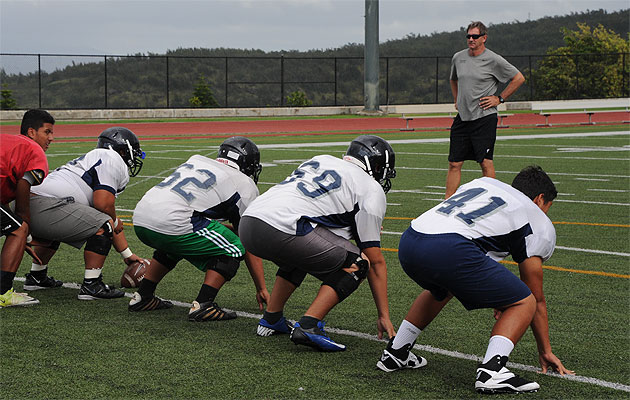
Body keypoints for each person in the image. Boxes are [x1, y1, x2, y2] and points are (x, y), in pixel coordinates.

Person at [376, 165, 574, 394]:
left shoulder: (485, 184)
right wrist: (545, 349)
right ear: (540, 200)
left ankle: (397, 351)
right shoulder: (533, 215)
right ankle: (492, 371)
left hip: (411, 239)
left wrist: (499, 295)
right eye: (548, 207)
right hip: (450, 248)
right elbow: (535, 296)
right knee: (524, 301)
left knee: (442, 288)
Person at [239, 134, 397, 352]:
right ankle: (309, 324)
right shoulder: (370, 187)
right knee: (359, 264)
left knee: (299, 251)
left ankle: (271, 318)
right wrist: (384, 315)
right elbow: (376, 262)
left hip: (249, 222)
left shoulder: (322, 159)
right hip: (281, 227)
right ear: (377, 167)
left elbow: (320, 222)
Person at [130, 136, 270, 321]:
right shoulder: (244, 183)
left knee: (177, 242)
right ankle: (204, 304)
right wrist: (261, 287)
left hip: (141, 218)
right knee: (234, 247)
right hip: (175, 222)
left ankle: (143, 296)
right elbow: (247, 237)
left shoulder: (196, 160)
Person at [28, 127, 145, 300]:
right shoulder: (112, 158)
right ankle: (92, 285)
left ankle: (36, 276)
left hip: (34, 204)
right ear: (122, 150)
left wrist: (127, 254)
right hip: (44, 205)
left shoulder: (95, 158)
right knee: (103, 225)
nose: (134, 157)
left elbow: (104, 211)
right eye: (133, 153)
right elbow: (103, 205)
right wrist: (113, 220)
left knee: (91, 220)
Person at [445, 21, 525, 199]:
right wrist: (456, 98)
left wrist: (499, 98)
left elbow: (518, 78)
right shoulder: (458, 57)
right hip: (463, 118)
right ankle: (446, 202)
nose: (471, 39)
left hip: (484, 118)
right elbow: (453, 79)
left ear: (484, 38)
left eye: (475, 36)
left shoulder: (493, 59)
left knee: (485, 162)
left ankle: (490, 201)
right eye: (468, 36)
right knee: (454, 163)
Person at [0, 109, 55, 307]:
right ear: (31, 132)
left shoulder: (9, 142)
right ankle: (3, 293)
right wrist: (25, 227)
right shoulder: (33, 149)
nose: (51, 138)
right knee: (18, 228)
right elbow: (25, 182)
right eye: (47, 132)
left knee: (14, 227)